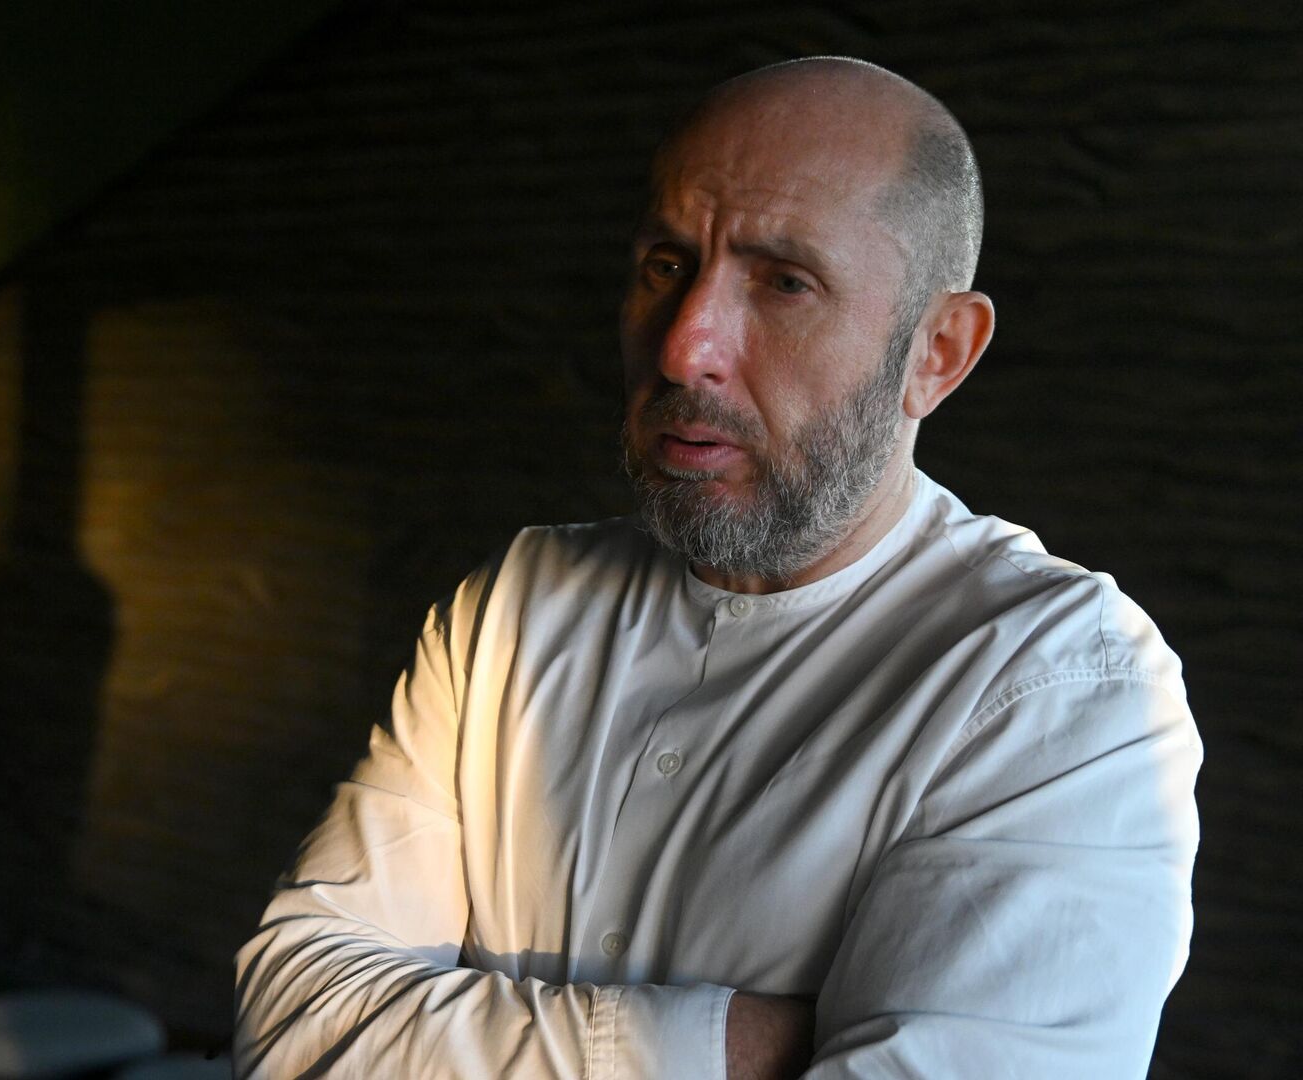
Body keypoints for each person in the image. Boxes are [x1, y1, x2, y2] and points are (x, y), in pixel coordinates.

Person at [232, 57, 1201, 1079]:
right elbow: (293, 1027)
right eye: (665, 264)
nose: (683, 346)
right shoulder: (512, 606)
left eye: (785, 282)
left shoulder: (1057, 685)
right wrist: (749, 1048)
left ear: (937, 353)